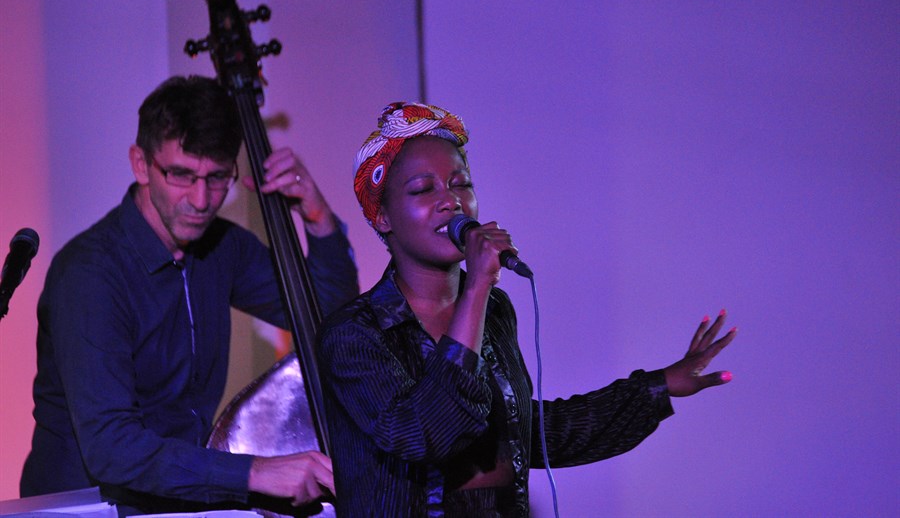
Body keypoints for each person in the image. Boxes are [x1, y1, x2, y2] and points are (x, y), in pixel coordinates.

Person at [317, 102, 738, 517]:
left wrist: (658, 387)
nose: (451, 201)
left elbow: (526, 432)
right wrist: (477, 286)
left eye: (461, 184)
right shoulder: (354, 334)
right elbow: (424, 434)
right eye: (424, 189)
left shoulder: (494, 309)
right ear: (383, 217)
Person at [20, 76, 359, 515]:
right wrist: (254, 472)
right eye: (181, 175)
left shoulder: (222, 249)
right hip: (84, 507)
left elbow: (328, 319)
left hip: (174, 502)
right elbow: (112, 448)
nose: (201, 200)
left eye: (217, 177)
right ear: (140, 164)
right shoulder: (90, 273)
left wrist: (317, 217)